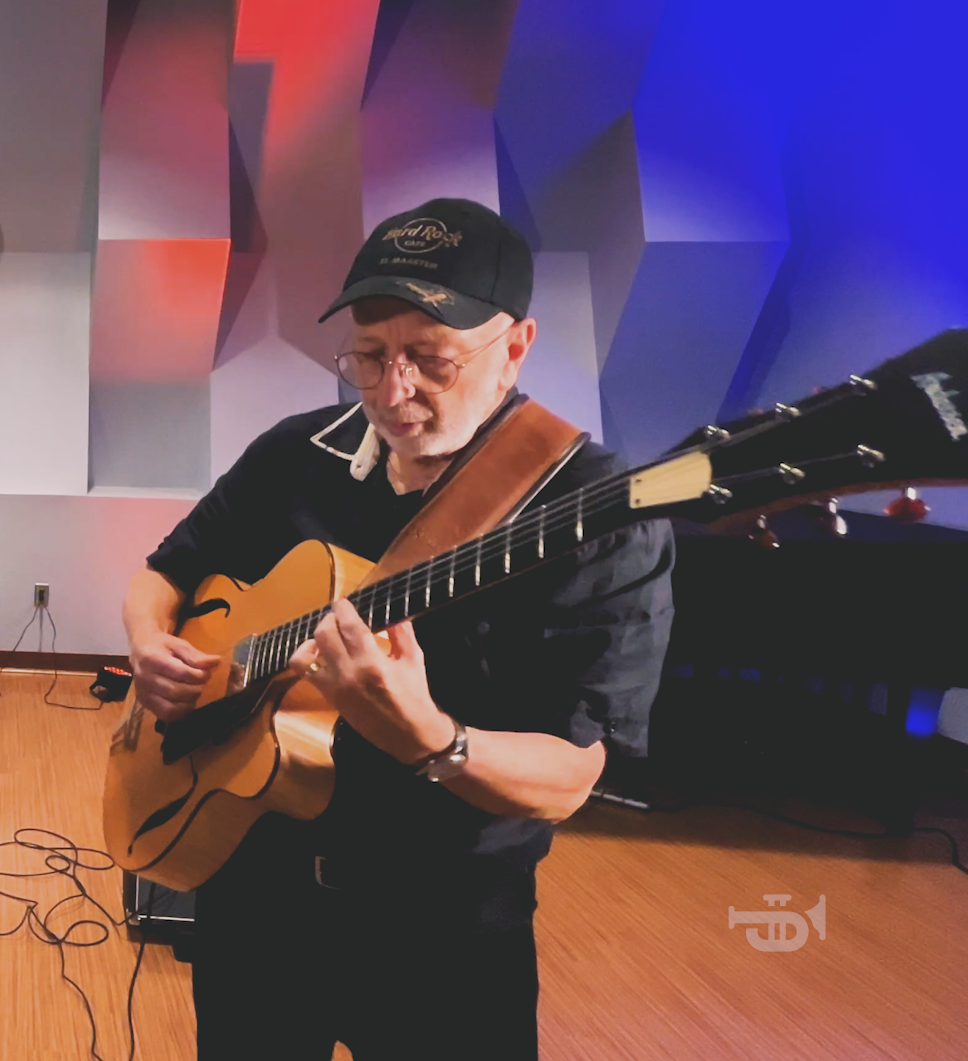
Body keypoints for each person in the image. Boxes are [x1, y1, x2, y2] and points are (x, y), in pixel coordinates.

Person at [124, 199, 675, 1059]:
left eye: (430, 359)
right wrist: (151, 643)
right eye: (369, 356)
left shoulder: (598, 513)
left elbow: (572, 774)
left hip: (446, 931)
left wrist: (429, 738)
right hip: (252, 893)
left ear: (516, 347)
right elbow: (165, 572)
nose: (392, 392)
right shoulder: (293, 452)